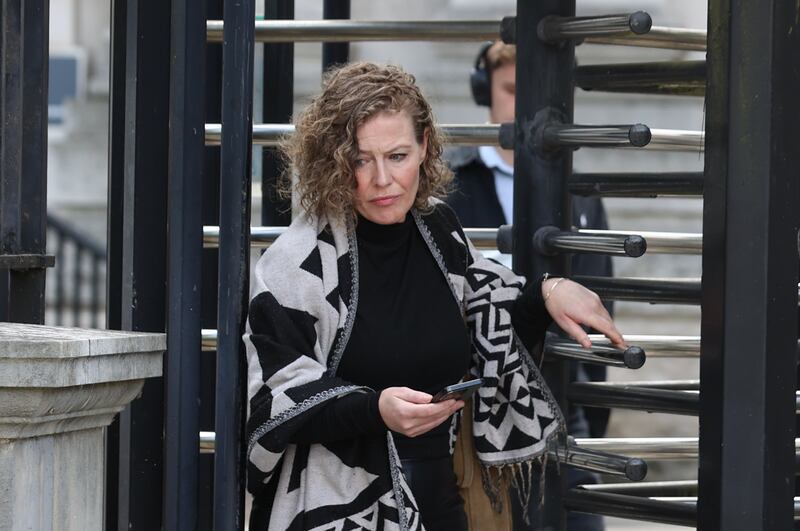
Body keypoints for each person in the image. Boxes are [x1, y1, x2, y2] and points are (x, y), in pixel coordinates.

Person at [244, 61, 624, 531]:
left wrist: (549, 292)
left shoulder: (439, 231)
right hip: (337, 512)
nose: (382, 179)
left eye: (398, 155)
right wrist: (375, 408)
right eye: (361, 160)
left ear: (424, 147)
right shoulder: (297, 261)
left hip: (444, 503)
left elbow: (493, 333)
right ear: (333, 161)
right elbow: (273, 399)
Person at [446, 41, 614, 531]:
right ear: (485, 93)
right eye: (511, 89)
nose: (523, 104)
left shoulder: (580, 191)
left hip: (562, 401)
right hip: (480, 411)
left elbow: (602, 294)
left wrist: (588, 403)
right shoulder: (449, 185)